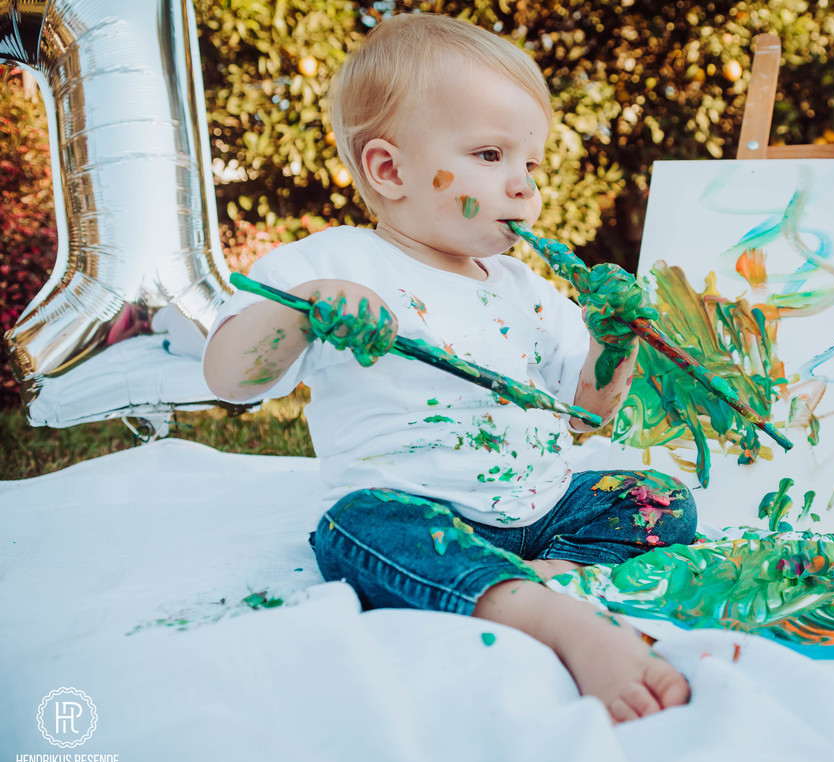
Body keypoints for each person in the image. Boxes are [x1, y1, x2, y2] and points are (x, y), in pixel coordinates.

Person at [202, 13, 697, 723]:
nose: (525, 186)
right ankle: (558, 618)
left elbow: (587, 415)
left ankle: (531, 576)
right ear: (389, 168)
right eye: (492, 155)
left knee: (658, 499)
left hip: (541, 516)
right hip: (416, 510)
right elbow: (228, 378)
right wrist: (307, 308)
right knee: (355, 530)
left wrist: (612, 346)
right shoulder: (331, 264)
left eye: (531, 164)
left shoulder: (526, 289)